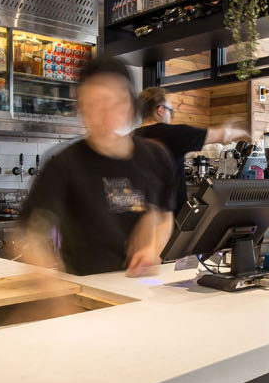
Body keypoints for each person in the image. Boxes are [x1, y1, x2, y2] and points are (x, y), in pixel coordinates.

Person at [11, 58, 174, 278]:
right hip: (87, 290)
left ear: (128, 104)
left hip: (141, 287)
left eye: (113, 102)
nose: (105, 114)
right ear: (81, 107)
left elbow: (165, 215)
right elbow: (30, 232)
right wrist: (48, 280)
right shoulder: (64, 164)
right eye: (94, 104)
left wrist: (152, 248)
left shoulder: (155, 157)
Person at [138, 88, 246, 212]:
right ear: (161, 110)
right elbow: (223, 134)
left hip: (138, 218)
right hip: (170, 219)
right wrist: (245, 133)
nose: (171, 117)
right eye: (171, 112)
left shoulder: (130, 137)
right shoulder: (173, 134)